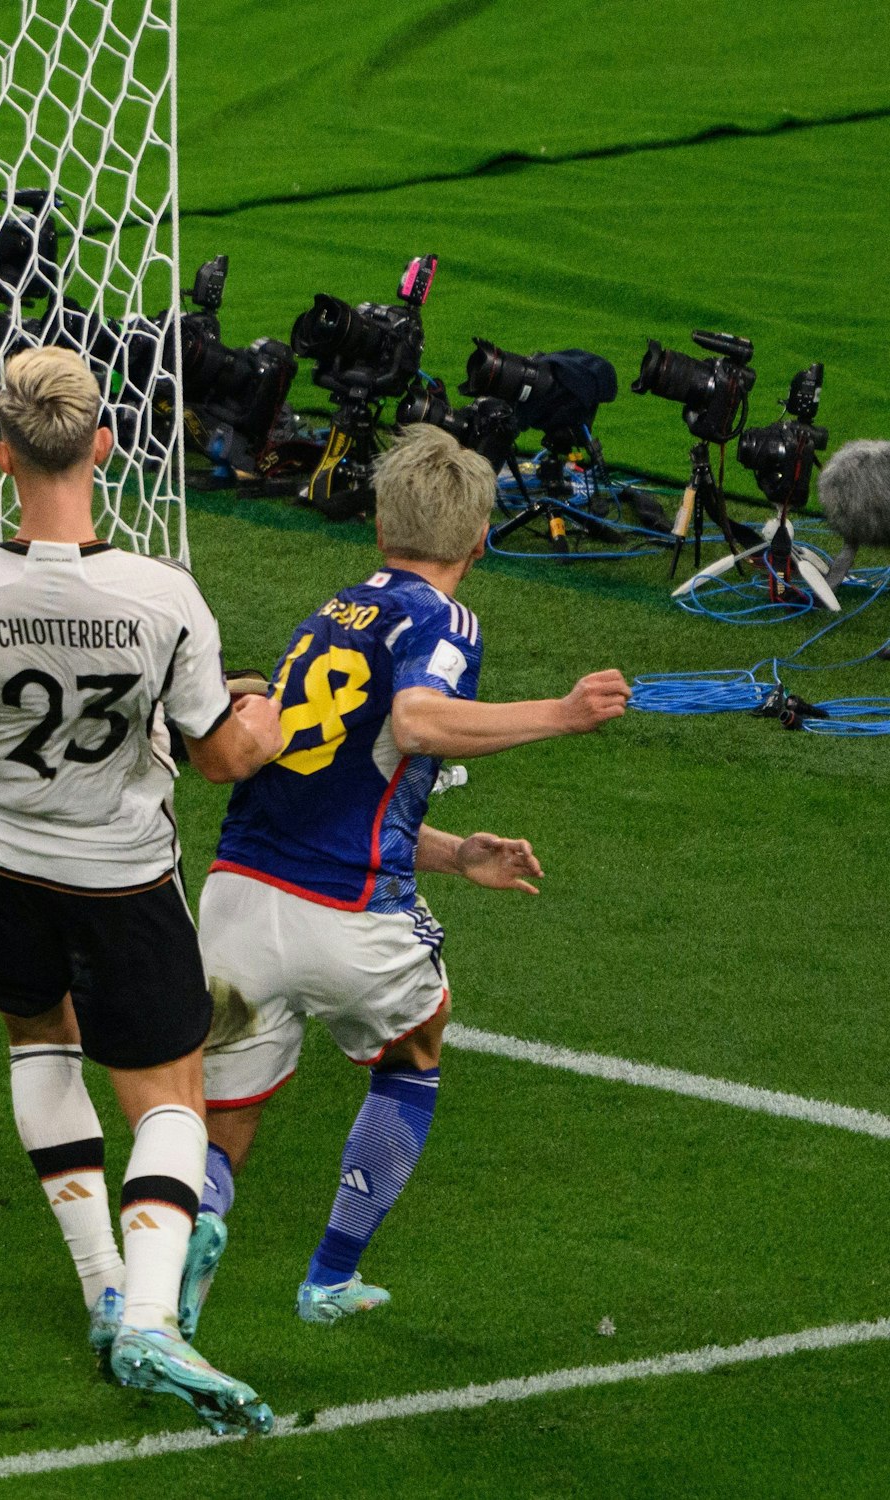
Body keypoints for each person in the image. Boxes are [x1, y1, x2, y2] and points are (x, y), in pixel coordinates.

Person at [0, 347, 283, 1436]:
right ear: (102, 445)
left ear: (1, 450)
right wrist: (265, 723)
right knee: (165, 1093)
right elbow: (214, 759)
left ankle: (101, 1283)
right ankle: (150, 1318)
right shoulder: (162, 598)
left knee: (36, 1038)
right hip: (114, 873)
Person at [182, 423, 630, 1330]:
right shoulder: (443, 618)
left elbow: (341, 785)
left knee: (224, 1116)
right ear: (476, 540)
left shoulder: (329, 615)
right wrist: (564, 713)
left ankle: (176, 1269)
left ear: (380, 526)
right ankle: (329, 1279)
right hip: (349, 917)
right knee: (418, 1044)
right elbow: (421, 722)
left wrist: (456, 850)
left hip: (236, 901)